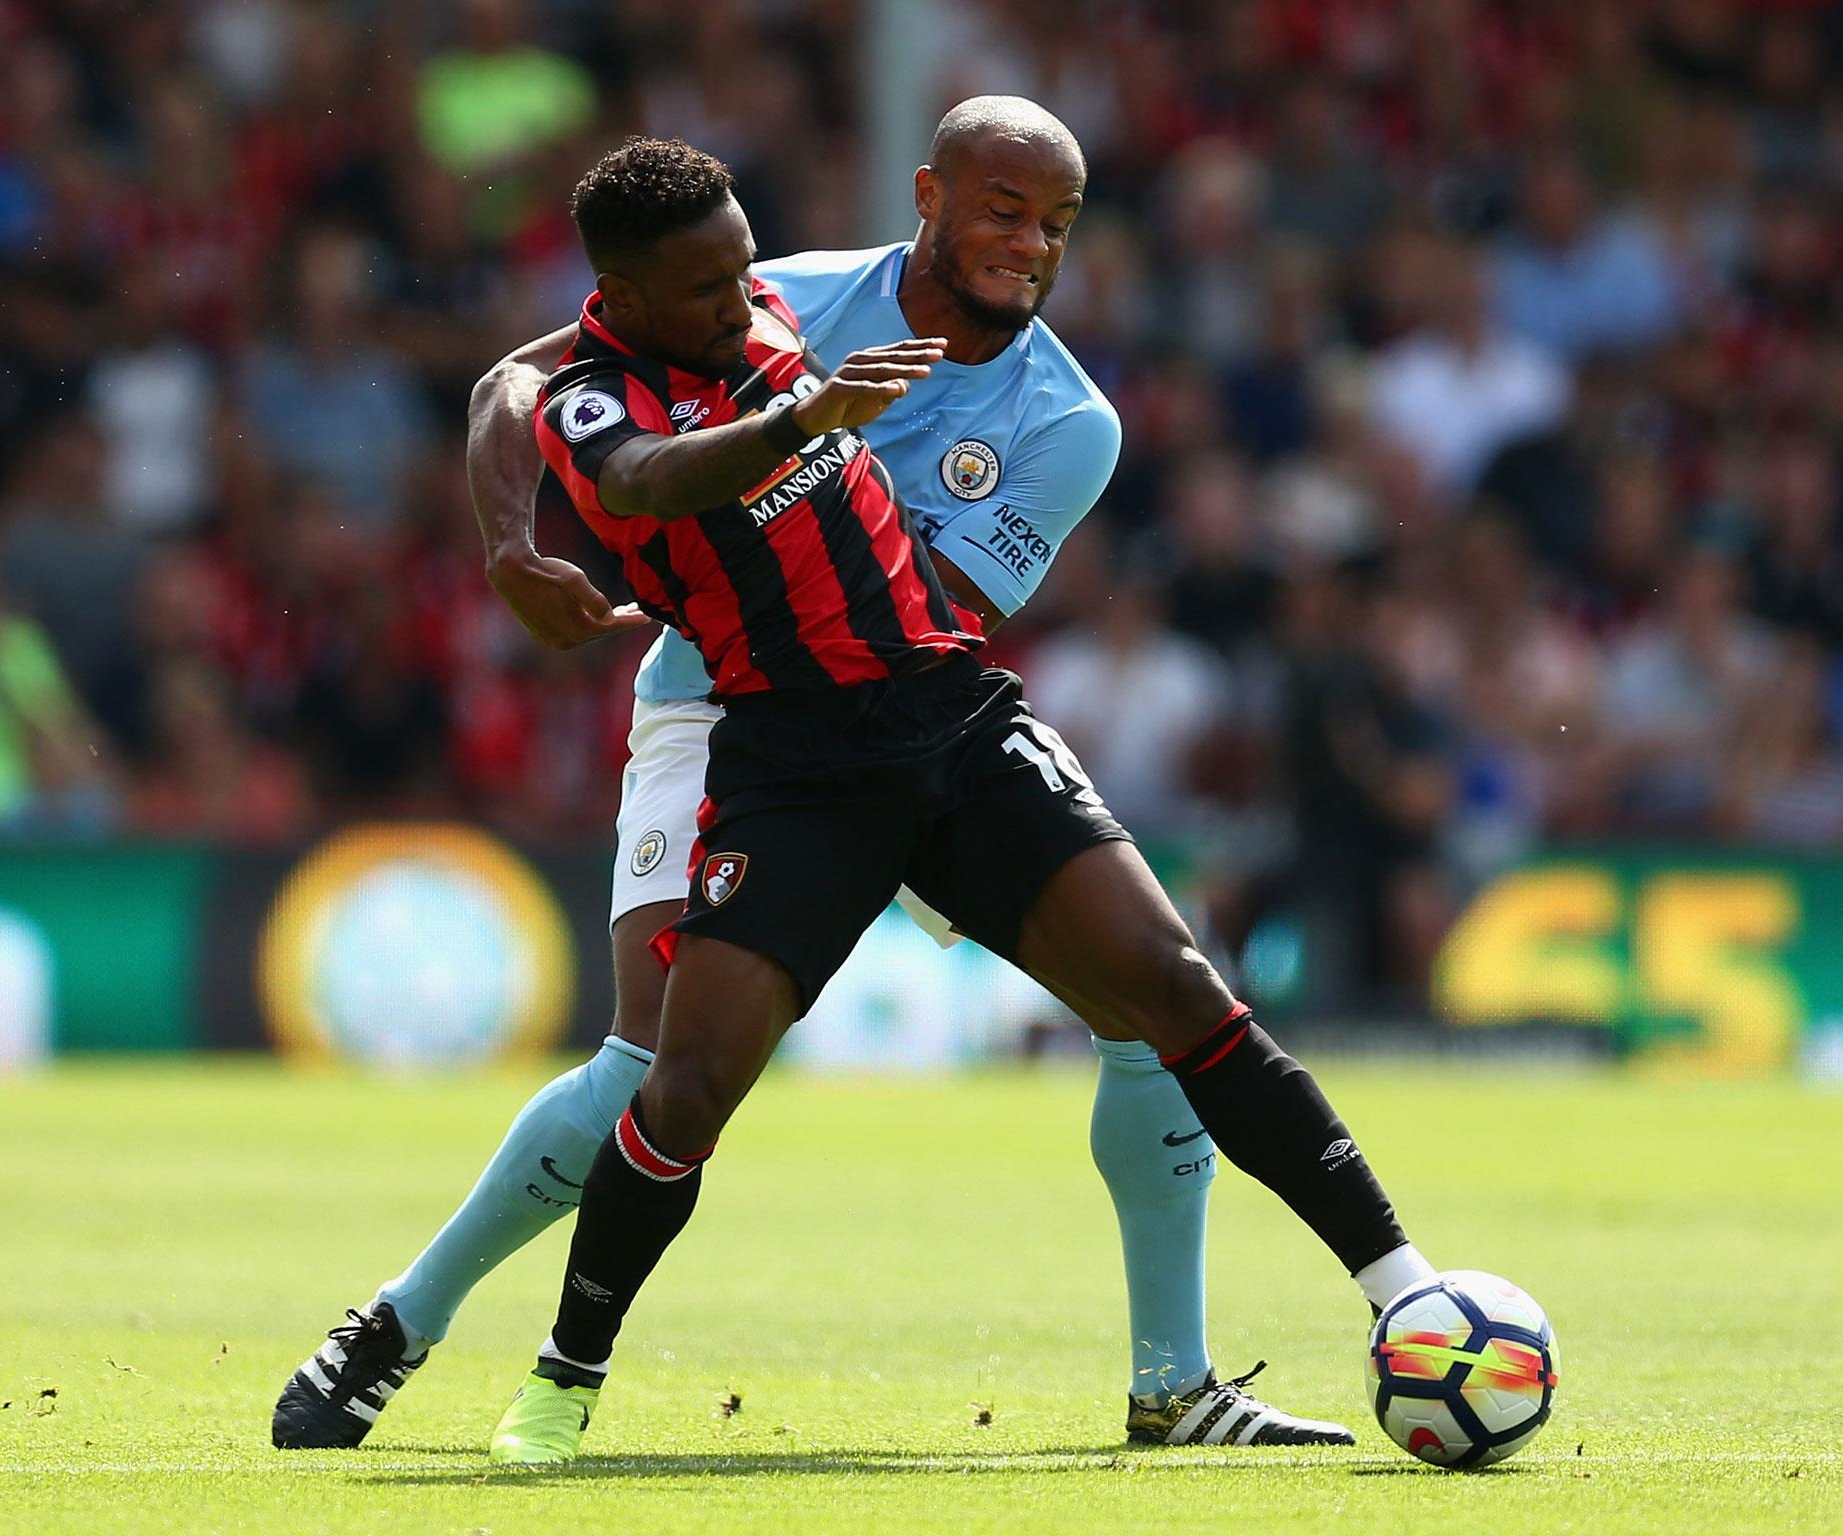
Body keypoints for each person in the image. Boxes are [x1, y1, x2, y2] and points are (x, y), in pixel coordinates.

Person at [273, 100, 1356, 1453]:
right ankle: (403, 1322)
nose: (1028, 245)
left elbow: (914, 607)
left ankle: (1174, 1384)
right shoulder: (774, 293)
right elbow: (516, 381)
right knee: (652, 1061)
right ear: (931, 197)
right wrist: (509, 543)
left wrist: (746, 464)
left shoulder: (1070, 423)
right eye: (1004, 211)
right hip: (716, 710)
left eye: (1057, 225)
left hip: (908, 728)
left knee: (1153, 1011)